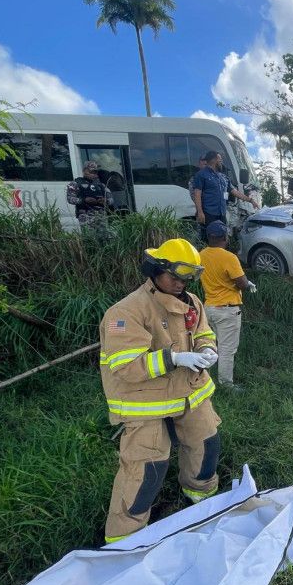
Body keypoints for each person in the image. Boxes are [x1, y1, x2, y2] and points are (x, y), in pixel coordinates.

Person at [99, 238, 221, 544]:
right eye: (176, 277)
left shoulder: (192, 302)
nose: (181, 284)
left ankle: (200, 498)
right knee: (147, 470)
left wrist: (208, 349)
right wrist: (175, 358)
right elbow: (125, 366)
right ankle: (123, 540)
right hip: (146, 402)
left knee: (207, 443)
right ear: (155, 270)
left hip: (190, 392)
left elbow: (204, 332)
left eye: (188, 278)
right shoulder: (125, 312)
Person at [200, 221, 256, 390]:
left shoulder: (201, 255)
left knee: (210, 346)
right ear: (225, 237)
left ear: (209, 237)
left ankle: (202, 379)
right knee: (227, 350)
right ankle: (226, 385)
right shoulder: (229, 257)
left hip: (209, 307)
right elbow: (242, 283)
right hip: (227, 309)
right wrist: (249, 284)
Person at [193, 151, 259, 238]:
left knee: (221, 237)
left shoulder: (223, 177)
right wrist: (200, 212)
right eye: (220, 159)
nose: (221, 161)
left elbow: (235, 192)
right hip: (208, 214)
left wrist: (250, 200)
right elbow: (197, 194)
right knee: (208, 239)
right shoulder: (201, 175)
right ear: (213, 160)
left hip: (222, 214)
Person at [66, 160, 113, 232]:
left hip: (100, 215)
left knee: (104, 238)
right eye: (91, 172)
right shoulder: (75, 183)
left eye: (95, 172)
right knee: (89, 238)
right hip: (85, 215)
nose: (93, 174)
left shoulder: (101, 185)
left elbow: (111, 200)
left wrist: (105, 201)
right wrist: (83, 200)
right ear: (84, 171)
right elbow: (70, 198)